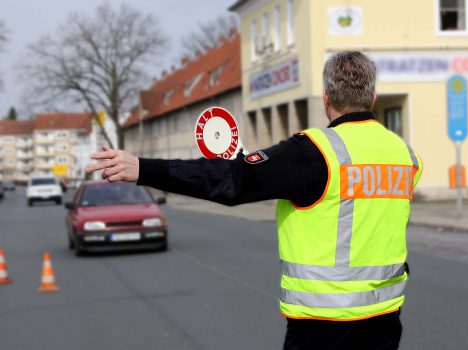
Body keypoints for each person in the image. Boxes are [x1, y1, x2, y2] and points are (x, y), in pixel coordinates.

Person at [86, 51, 423, 350]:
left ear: (326, 98)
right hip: (385, 321)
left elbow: (230, 182)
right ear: (373, 96)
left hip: (323, 328)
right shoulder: (407, 157)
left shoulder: (314, 153)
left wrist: (143, 168)